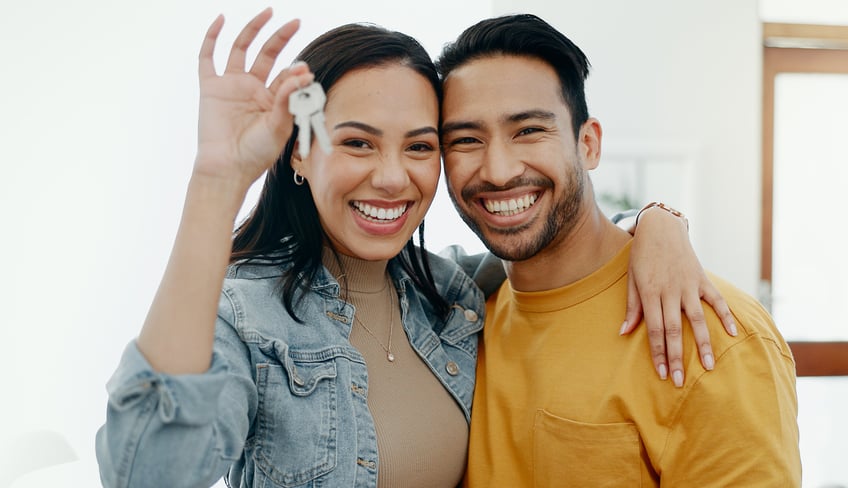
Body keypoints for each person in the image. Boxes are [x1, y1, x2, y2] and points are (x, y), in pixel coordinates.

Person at [96, 9, 733, 488]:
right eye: (357, 142)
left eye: (421, 145)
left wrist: (656, 223)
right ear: (298, 149)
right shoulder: (247, 315)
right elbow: (148, 471)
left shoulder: (451, 295)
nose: (394, 177)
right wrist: (217, 180)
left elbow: (561, 242)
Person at [436, 13, 801, 486]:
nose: (499, 170)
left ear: (587, 144)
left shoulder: (710, 332)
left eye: (528, 130)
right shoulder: (453, 316)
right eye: (466, 139)